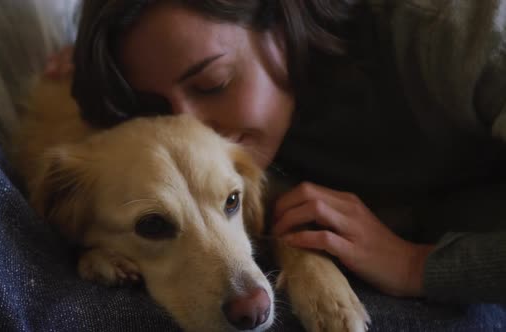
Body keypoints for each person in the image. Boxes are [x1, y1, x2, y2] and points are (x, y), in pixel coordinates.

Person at [50, 0, 506, 313]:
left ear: (281, 20)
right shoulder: (251, 135)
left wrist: (416, 265)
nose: (198, 131)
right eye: (156, 109)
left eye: (213, 84)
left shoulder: (456, 32)